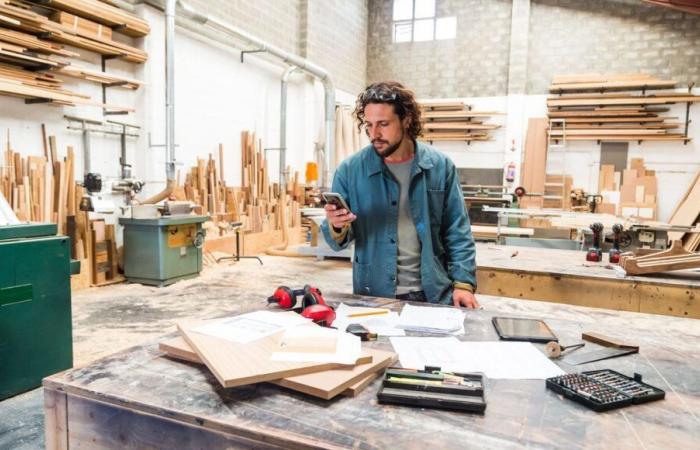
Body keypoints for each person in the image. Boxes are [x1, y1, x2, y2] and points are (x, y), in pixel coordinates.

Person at [321, 81, 478, 308]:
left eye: (383, 124)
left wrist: (463, 283)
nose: (374, 134)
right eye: (369, 125)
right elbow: (337, 243)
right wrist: (336, 225)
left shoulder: (440, 166)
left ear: (406, 120)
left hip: (432, 292)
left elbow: (457, 230)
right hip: (374, 292)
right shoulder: (350, 170)